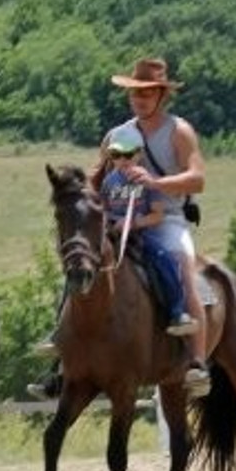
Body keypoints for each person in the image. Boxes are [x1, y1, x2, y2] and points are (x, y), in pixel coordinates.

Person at [104, 56, 211, 393]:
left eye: (148, 93)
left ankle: (197, 362)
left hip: (166, 218)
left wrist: (155, 183)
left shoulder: (179, 131)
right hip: (120, 218)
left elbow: (197, 180)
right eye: (136, 92)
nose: (140, 98)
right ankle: (61, 359)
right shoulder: (117, 135)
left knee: (182, 265)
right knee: (82, 265)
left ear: (162, 95)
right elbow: (100, 178)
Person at [99, 125, 196, 337]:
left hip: (141, 236)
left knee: (165, 260)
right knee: (82, 264)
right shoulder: (108, 182)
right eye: (116, 154)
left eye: (128, 154)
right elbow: (104, 210)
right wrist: (109, 224)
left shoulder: (147, 182)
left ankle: (177, 312)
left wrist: (133, 223)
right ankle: (62, 328)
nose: (122, 160)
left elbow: (157, 215)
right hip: (112, 236)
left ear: (139, 154)